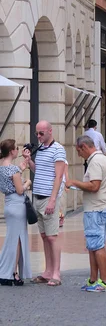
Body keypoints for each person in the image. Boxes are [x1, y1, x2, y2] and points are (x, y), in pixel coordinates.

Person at [66, 136, 106, 292]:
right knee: (93, 246)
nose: (79, 155)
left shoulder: (94, 162)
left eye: (79, 151)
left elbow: (94, 186)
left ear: (84, 147)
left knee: (98, 246)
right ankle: (93, 279)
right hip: (103, 207)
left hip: (96, 209)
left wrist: (74, 182)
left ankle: (105, 282)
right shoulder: (105, 159)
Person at [23, 121, 66, 287]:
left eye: (41, 133)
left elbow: (58, 176)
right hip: (38, 196)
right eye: (37, 134)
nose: (39, 137)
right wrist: (29, 160)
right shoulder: (40, 149)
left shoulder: (58, 149)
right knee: (44, 236)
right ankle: (48, 271)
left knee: (52, 237)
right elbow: (38, 170)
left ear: (50, 131)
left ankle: (56, 273)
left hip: (49, 197)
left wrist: (53, 200)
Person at [0, 140, 32, 286]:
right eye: (16, 148)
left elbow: (12, 177)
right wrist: (28, 183)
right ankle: (12, 273)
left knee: (12, 239)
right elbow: (20, 190)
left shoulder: (2, 167)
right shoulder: (13, 170)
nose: (18, 150)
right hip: (18, 206)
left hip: (8, 204)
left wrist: (23, 165)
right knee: (17, 240)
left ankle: (8, 272)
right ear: (12, 151)